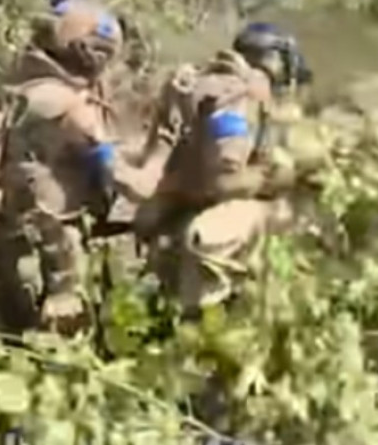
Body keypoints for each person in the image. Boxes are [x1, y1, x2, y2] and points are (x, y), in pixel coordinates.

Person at [0, 0, 179, 335]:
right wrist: (167, 144)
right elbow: (132, 185)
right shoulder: (69, 108)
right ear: (89, 53)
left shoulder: (21, 93)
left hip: (8, 244)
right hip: (55, 261)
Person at [134, 21, 313, 315]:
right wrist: (275, 178)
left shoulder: (203, 82)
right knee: (292, 213)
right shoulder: (241, 93)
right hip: (205, 228)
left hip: (175, 211)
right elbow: (224, 181)